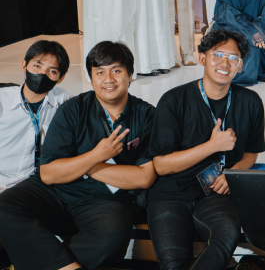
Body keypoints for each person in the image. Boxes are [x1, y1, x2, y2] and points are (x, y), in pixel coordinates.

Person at [0, 41, 156, 270]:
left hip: (105, 199)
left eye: (117, 71)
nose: (108, 79)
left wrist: (82, 163)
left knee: (112, 239)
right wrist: (95, 156)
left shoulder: (147, 115)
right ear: (91, 77)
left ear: (130, 75)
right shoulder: (72, 109)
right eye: (100, 72)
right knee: (5, 206)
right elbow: (49, 174)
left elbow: (143, 178)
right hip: (57, 190)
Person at [147, 28, 265, 270]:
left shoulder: (250, 102)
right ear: (202, 58)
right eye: (217, 55)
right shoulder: (173, 100)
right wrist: (212, 146)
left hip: (215, 192)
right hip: (171, 193)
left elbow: (251, 152)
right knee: (172, 264)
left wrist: (233, 175)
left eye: (233, 58)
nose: (225, 63)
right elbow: (161, 165)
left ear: (240, 66)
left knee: (226, 234)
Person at [0, 41, 71, 192]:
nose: (41, 74)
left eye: (52, 71)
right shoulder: (2, 100)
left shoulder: (65, 102)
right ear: (24, 65)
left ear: (61, 78)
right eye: (37, 66)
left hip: (37, 186)